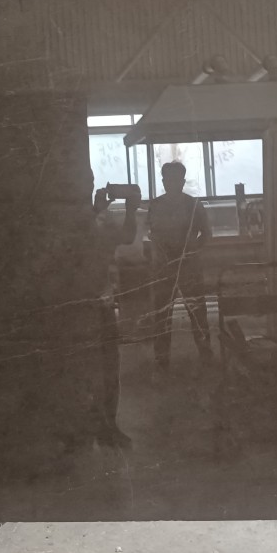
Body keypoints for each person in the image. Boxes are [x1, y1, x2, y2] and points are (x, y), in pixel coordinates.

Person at [146, 161, 213, 371]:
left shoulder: (194, 205)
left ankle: (206, 355)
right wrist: (160, 253)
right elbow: (152, 234)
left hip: (188, 267)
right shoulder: (155, 205)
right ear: (163, 181)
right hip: (163, 268)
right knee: (161, 315)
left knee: (198, 312)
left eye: (175, 179)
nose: (171, 183)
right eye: (167, 179)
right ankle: (161, 359)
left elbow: (207, 235)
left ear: (182, 182)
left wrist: (191, 251)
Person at [89, 180, 139, 448]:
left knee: (109, 365)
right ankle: (97, 425)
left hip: (103, 302)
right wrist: (95, 212)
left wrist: (131, 209)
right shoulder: (80, 220)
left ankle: (108, 424)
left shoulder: (101, 220)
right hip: (81, 302)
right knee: (92, 368)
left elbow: (127, 237)